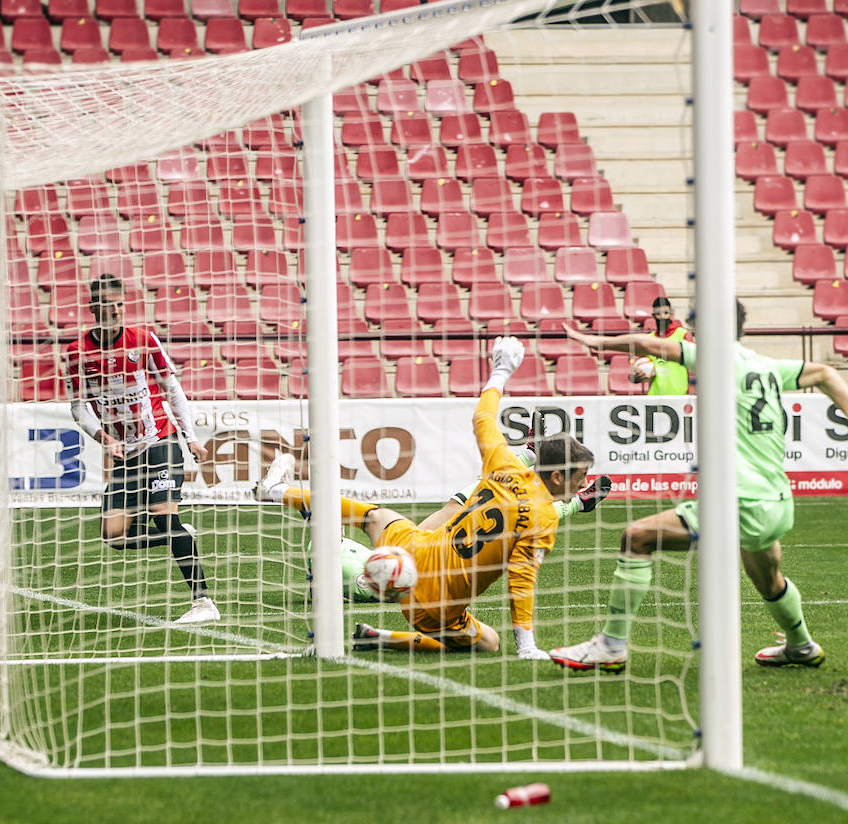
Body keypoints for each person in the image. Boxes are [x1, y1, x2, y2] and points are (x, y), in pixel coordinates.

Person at [550, 302, 848, 672]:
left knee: (636, 538)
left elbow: (651, 345)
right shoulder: (766, 365)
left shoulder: (716, 358)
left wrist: (592, 340)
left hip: (739, 499)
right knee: (768, 578)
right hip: (776, 500)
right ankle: (801, 645)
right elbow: (825, 372)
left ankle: (611, 646)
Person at [254, 337, 594, 657]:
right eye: (579, 477)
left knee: (376, 516)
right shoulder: (545, 515)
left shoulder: (504, 462)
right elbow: (521, 578)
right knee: (488, 643)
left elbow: (483, 418)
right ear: (557, 475)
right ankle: (388, 638)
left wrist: (501, 372)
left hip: (416, 551)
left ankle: (279, 492)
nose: (582, 483)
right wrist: (527, 646)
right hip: (434, 606)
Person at [62, 273, 218, 625]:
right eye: (107, 305)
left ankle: (203, 602)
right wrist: (105, 439)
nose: (115, 311)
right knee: (113, 538)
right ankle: (177, 535)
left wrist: (190, 436)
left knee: (163, 511)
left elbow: (172, 389)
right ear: (93, 309)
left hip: (159, 440)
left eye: (120, 304)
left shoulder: (143, 340)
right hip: (124, 453)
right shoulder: (77, 353)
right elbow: (77, 408)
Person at [336, 458, 612, 603]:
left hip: (404, 561)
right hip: (421, 572)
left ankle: (534, 462)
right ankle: (573, 502)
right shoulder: (339, 567)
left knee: (453, 509)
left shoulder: (335, 553)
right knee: (502, 512)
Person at [634, 296, 692, 395]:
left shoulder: (683, 335)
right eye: (658, 314)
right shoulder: (649, 340)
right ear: (653, 316)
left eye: (666, 313)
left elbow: (694, 368)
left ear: (671, 314)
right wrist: (635, 376)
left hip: (680, 397)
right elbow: (637, 369)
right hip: (654, 397)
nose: (662, 317)